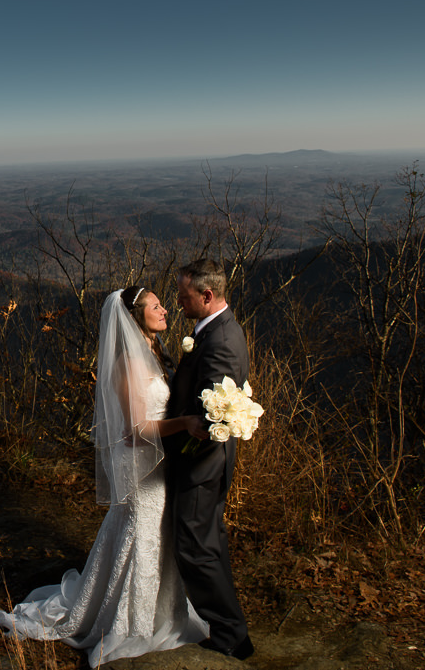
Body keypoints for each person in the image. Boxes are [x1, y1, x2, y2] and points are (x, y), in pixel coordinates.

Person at [0, 286, 209, 667]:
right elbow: (135, 429)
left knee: (156, 534)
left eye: (162, 304)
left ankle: (163, 612)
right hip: (143, 467)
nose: (165, 311)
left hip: (161, 465)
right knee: (143, 532)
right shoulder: (129, 362)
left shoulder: (156, 353)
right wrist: (186, 423)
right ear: (134, 316)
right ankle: (132, 622)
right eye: (155, 306)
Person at [165, 258, 254, 659]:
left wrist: (182, 450)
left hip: (200, 463)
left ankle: (230, 636)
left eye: (184, 296)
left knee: (196, 548)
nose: (178, 303)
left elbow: (210, 414)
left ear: (206, 295)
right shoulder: (216, 330)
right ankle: (231, 629)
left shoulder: (219, 341)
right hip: (208, 462)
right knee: (209, 544)